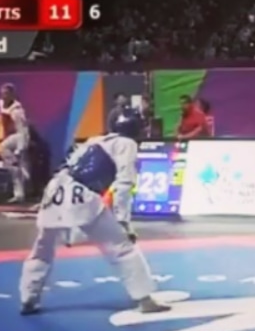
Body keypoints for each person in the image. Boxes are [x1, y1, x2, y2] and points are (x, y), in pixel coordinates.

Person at [20, 115, 167, 316]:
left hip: (56, 191)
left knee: (42, 249)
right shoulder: (127, 144)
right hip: (83, 196)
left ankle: (28, 297)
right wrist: (123, 220)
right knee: (122, 247)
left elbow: (66, 166)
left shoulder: (94, 140)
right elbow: (124, 184)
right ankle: (145, 299)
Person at [0, 83, 30, 204]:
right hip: (9, 135)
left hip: (19, 136)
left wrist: (20, 149)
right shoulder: (1, 104)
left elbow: (23, 130)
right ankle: (19, 194)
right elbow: (2, 122)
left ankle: (17, 163)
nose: (3, 96)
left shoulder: (17, 110)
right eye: (2, 93)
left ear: (12, 95)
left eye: (6, 94)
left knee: (3, 150)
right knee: (15, 170)